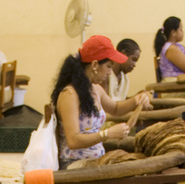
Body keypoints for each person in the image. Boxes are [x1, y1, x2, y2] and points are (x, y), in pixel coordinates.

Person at [51, 35, 150, 168]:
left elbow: (115, 108)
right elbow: (73, 140)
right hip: (74, 164)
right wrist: (107, 134)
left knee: (138, 169)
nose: (110, 72)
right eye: (109, 66)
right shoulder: (69, 94)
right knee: (131, 175)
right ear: (95, 65)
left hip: (95, 160)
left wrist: (137, 100)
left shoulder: (95, 89)